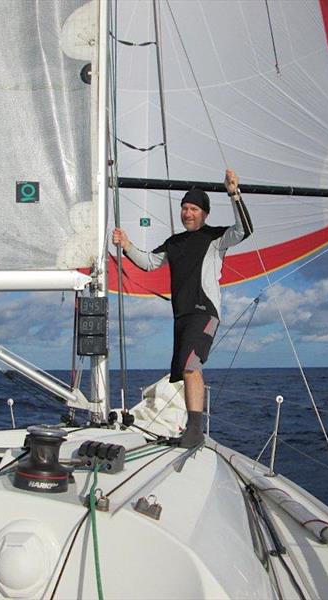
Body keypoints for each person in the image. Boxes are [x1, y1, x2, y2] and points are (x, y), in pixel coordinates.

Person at [112, 169, 253, 447]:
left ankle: (195, 431)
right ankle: (192, 429)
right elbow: (149, 263)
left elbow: (244, 230)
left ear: (205, 213)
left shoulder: (215, 238)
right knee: (184, 370)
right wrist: (127, 245)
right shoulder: (174, 243)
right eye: (184, 208)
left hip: (205, 312)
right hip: (182, 316)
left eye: (194, 209)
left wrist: (234, 193)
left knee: (190, 366)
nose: (188, 213)